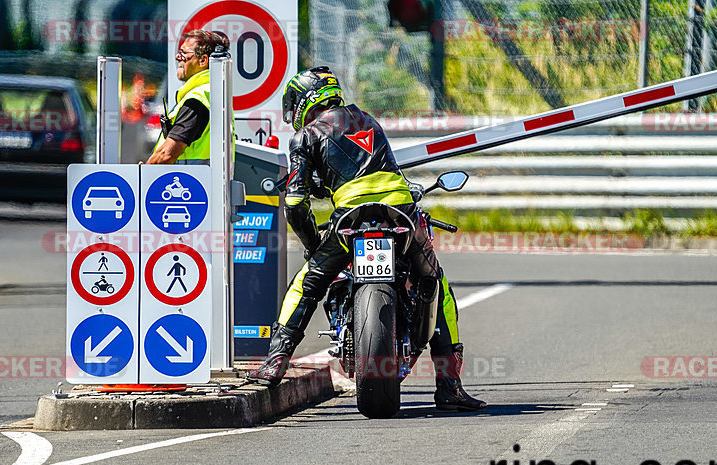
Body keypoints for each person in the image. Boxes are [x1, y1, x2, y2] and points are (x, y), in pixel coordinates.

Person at [248, 66, 486, 411]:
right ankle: (449, 385)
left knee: (306, 284)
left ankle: (275, 363)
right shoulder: (367, 120)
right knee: (437, 287)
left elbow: (296, 201)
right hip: (401, 214)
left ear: (305, 100)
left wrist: (314, 245)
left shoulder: (305, 137)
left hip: (350, 221)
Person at [145, 30, 229, 165]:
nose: (178, 57)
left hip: (190, 183)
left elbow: (166, 155)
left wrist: (143, 175)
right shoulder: (211, 93)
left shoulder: (198, 99)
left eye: (184, 53)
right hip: (201, 183)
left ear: (203, 60)